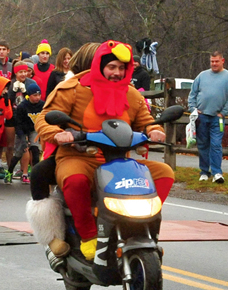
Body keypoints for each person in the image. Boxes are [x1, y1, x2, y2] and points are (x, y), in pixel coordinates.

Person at [34, 41, 174, 261]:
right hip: (79, 156)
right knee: (76, 180)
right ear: (100, 65)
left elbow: (145, 121)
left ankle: (144, 231)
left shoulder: (132, 95)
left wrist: (154, 129)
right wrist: (57, 133)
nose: (117, 73)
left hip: (120, 161)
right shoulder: (71, 88)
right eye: (112, 67)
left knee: (164, 173)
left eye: (121, 68)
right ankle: (89, 237)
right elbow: (44, 118)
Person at [187, 51, 228, 183]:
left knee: (215, 144)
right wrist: (193, 109)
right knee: (203, 145)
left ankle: (217, 173)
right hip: (201, 116)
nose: (214, 64)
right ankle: (204, 171)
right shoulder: (202, 76)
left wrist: (223, 112)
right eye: (212, 61)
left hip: (217, 118)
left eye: (216, 61)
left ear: (222, 61)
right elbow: (192, 94)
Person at [12, 82, 44, 184]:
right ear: (29, 95)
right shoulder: (22, 106)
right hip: (22, 130)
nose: (37, 97)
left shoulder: (42, 105)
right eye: (34, 95)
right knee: (20, 152)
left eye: (39, 95)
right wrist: (22, 137)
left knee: (35, 150)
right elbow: (18, 123)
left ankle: (35, 174)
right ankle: (9, 171)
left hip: (34, 130)